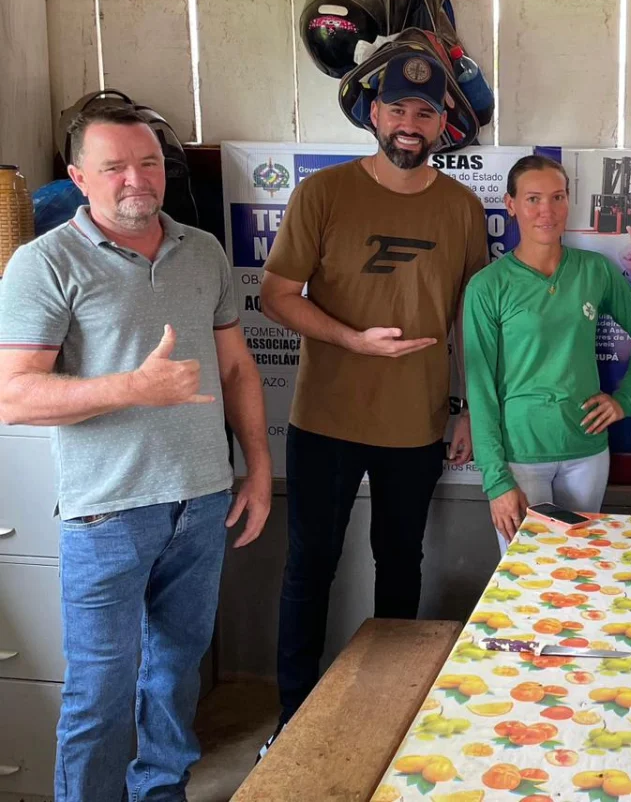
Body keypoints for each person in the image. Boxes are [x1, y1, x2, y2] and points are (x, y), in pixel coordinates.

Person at [0, 104, 272, 802]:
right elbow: (13, 396)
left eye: (148, 162)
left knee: (176, 676)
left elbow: (237, 368)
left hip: (203, 500)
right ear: (78, 177)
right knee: (100, 693)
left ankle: (160, 792)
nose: (136, 179)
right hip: (108, 513)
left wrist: (258, 471)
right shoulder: (43, 262)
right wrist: (134, 387)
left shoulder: (203, 251)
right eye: (115, 166)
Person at [260, 50, 487, 743]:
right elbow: (276, 296)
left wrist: (469, 408)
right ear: (374, 115)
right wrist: (352, 341)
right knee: (310, 567)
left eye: (424, 111)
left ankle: (384, 717)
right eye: (397, 109)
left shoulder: (462, 207)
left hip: (415, 425)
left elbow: (469, 320)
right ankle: (292, 720)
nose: (409, 123)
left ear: (443, 124)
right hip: (325, 420)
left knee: (400, 564)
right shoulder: (323, 193)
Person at [465, 156, 631, 548]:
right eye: (533, 199)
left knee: (583, 562)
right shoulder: (488, 286)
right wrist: (496, 480)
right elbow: (480, 387)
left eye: (557, 197)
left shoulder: (595, 270)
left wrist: (626, 399)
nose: (547, 211)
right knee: (526, 571)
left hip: (586, 450)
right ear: (511, 204)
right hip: (521, 454)